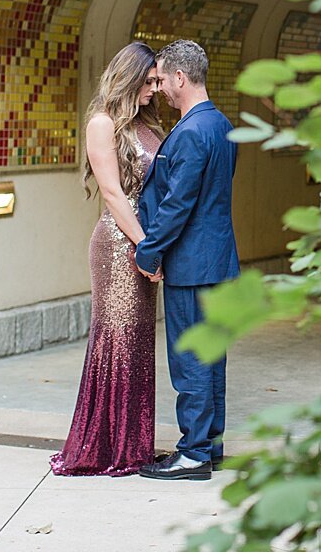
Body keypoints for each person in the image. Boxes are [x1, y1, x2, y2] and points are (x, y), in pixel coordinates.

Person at [50, 41, 165, 477]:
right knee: (115, 340)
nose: (155, 89)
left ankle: (132, 445)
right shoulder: (101, 123)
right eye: (150, 80)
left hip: (141, 241)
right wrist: (146, 246)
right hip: (118, 247)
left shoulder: (147, 124)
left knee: (138, 342)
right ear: (130, 78)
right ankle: (106, 446)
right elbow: (114, 193)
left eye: (157, 81)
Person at [134, 39, 239, 481]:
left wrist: (149, 249)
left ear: (181, 77)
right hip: (218, 262)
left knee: (192, 360)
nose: (159, 89)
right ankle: (210, 446)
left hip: (192, 266)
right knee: (212, 359)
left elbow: (179, 203)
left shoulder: (192, 130)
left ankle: (193, 453)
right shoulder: (221, 124)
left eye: (162, 79)